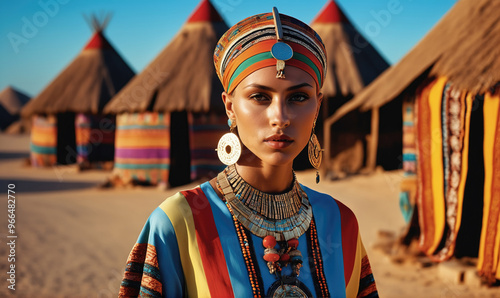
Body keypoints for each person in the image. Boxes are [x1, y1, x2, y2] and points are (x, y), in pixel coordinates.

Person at [119, 7, 378, 298]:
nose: (280, 117)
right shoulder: (178, 223)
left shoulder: (340, 222)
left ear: (317, 106)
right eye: (259, 97)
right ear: (230, 106)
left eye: (298, 97)